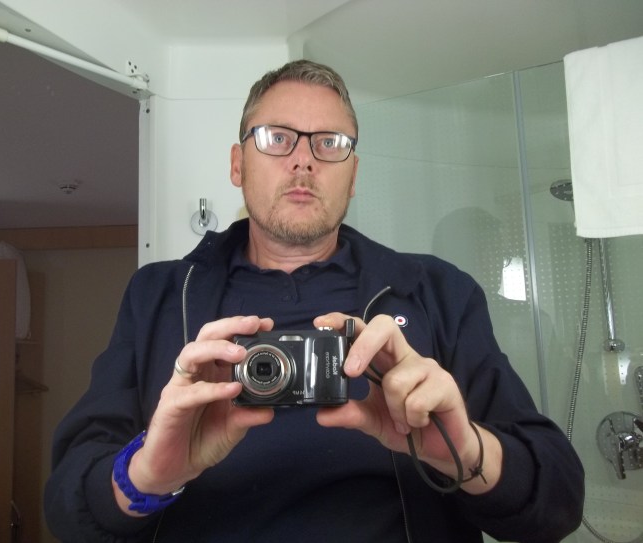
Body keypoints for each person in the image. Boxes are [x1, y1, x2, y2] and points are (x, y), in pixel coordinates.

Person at [44, 60, 584, 542]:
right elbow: (68, 507)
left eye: (330, 143)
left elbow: (558, 502)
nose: (303, 161)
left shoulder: (438, 292)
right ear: (237, 165)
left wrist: (463, 451)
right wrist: (145, 477)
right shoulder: (159, 295)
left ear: (353, 176)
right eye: (277, 138)